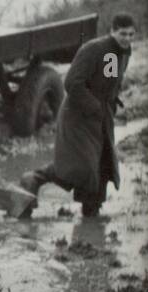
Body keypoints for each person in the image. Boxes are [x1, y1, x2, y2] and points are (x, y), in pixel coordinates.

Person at [19, 13, 135, 217]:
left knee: (102, 162)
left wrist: (112, 103)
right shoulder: (93, 49)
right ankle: (33, 179)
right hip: (78, 114)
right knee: (79, 165)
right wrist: (94, 106)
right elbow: (72, 82)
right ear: (112, 31)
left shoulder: (123, 52)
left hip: (101, 114)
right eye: (122, 33)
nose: (126, 38)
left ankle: (91, 210)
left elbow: (111, 80)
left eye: (131, 34)